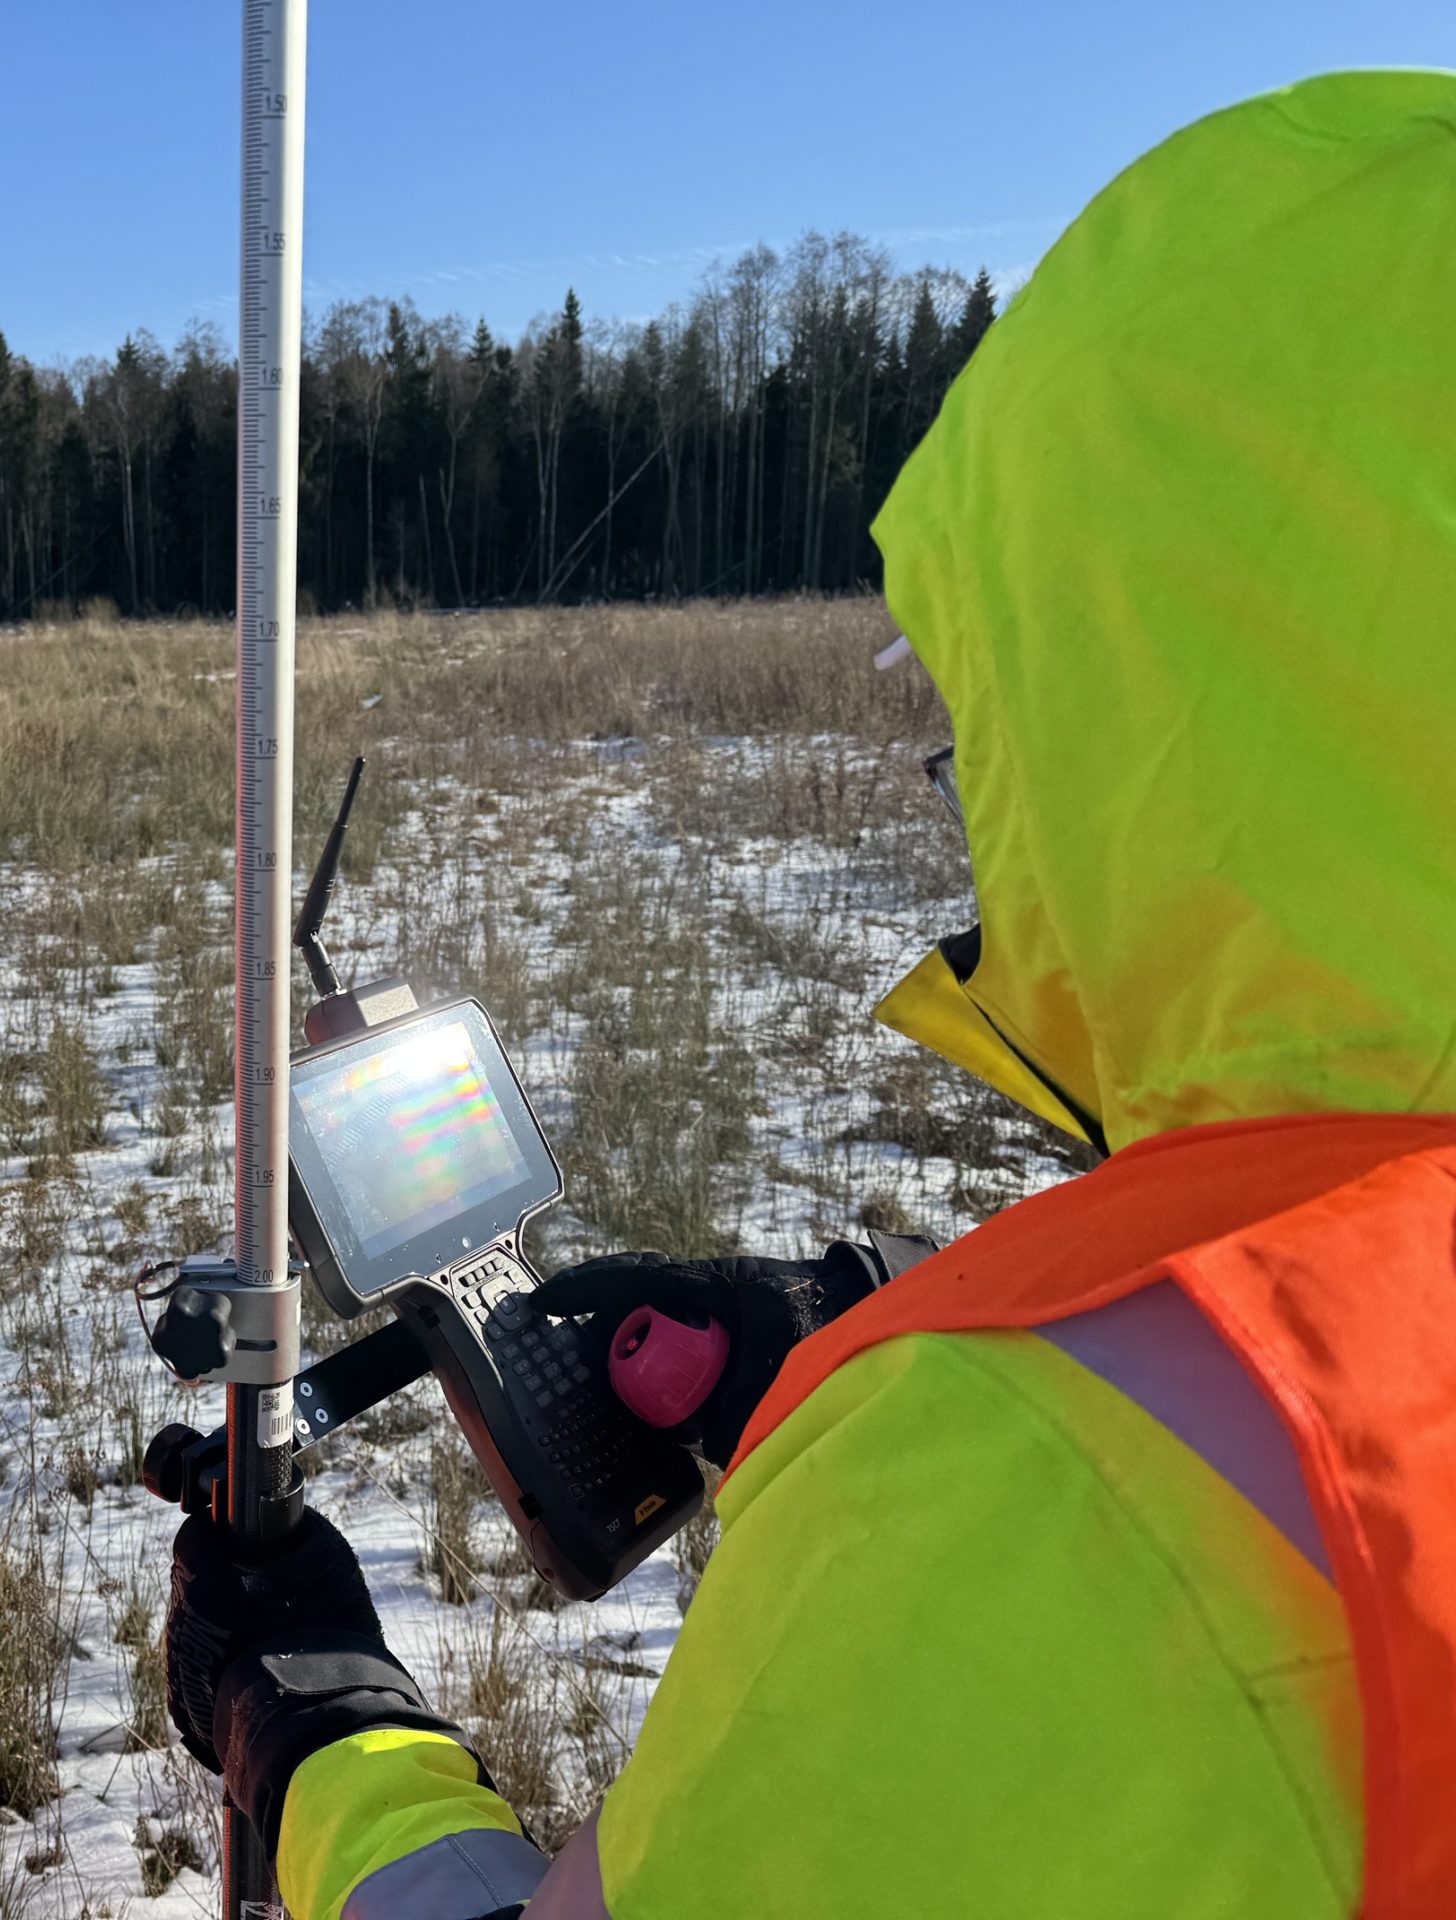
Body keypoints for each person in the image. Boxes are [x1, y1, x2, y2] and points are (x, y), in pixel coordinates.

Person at [163, 69, 1456, 1919]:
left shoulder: (1049, 1490)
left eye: (988, 727)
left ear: (1150, 719)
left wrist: (325, 1741)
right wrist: (845, 1329)